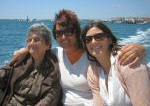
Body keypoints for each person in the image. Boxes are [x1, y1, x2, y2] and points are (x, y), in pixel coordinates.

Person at [13, 9, 146, 106]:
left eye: (69, 31)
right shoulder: (56, 53)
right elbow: (40, 48)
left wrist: (140, 49)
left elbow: (109, 50)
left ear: (77, 33)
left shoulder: (92, 55)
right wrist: (25, 50)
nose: (64, 37)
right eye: (59, 33)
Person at [81, 21, 150, 106]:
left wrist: (142, 48)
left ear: (109, 39)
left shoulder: (128, 62)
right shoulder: (93, 70)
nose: (93, 41)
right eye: (88, 39)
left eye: (99, 37)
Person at [0, 23, 62, 106]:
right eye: (29, 40)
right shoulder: (20, 61)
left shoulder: (53, 69)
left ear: (47, 45)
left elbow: (50, 98)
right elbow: (3, 75)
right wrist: (12, 61)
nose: (32, 43)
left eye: (36, 40)